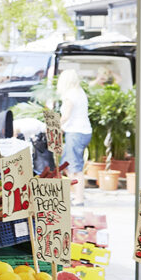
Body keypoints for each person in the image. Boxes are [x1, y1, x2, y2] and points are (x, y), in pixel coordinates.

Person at [57, 68, 93, 205]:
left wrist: (53, 126)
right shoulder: (79, 92)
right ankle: (76, 193)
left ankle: (79, 198)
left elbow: (66, 116)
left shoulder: (70, 95)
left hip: (75, 133)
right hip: (82, 132)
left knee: (74, 167)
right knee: (66, 165)